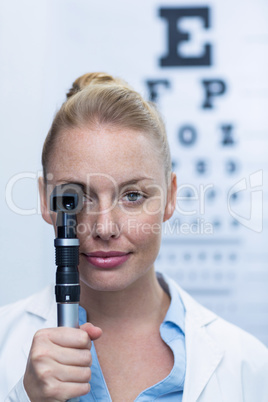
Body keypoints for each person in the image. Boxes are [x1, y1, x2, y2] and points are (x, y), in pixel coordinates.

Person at [1, 72, 268, 402]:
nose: (104, 227)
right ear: (46, 200)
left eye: (132, 195)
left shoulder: (249, 365)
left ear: (170, 197)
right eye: (76, 197)